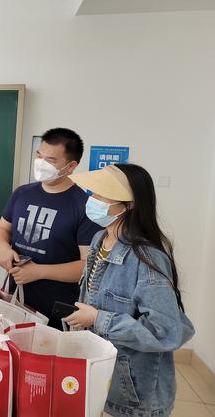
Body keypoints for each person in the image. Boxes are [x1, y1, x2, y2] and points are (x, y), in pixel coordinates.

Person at [64, 164, 194, 417]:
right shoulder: (100, 239)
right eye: (93, 193)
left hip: (133, 393)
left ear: (130, 204)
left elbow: (166, 331)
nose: (92, 200)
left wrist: (98, 319)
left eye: (102, 194)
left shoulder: (147, 258)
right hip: (101, 375)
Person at [0, 128, 100, 328]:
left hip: (57, 308)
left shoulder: (84, 206)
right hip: (15, 299)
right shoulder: (22, 193)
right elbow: (2, 230)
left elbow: (87, 266)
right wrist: (3, 248)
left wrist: (39, 271)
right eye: (39, 155)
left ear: (71, 166)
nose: (41, 163)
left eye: (50, 160)